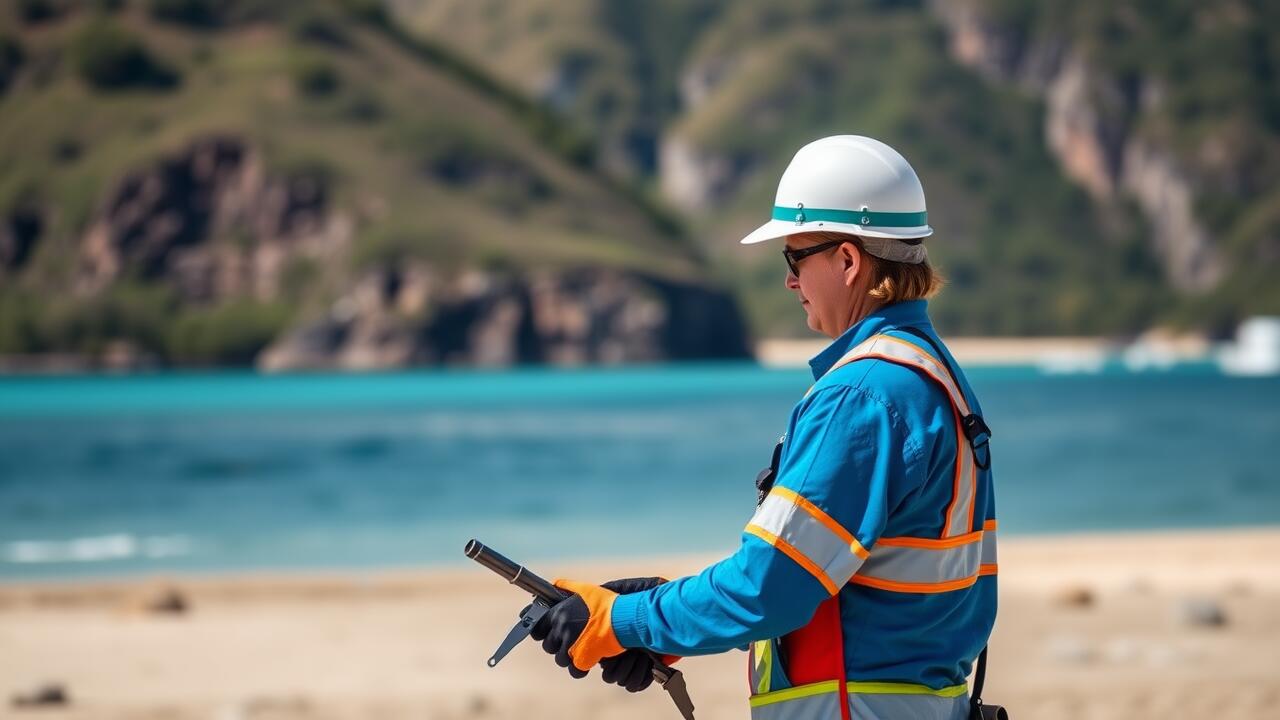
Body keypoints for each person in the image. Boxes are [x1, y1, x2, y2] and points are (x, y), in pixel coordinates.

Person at [531, 135, 998, 720]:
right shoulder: (931, 376)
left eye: (794, 258)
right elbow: (836, 588)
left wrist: (622, 621)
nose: (790, 282)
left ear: (848, 261)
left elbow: (769, 589)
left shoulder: (862, 396)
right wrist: (667, 622)